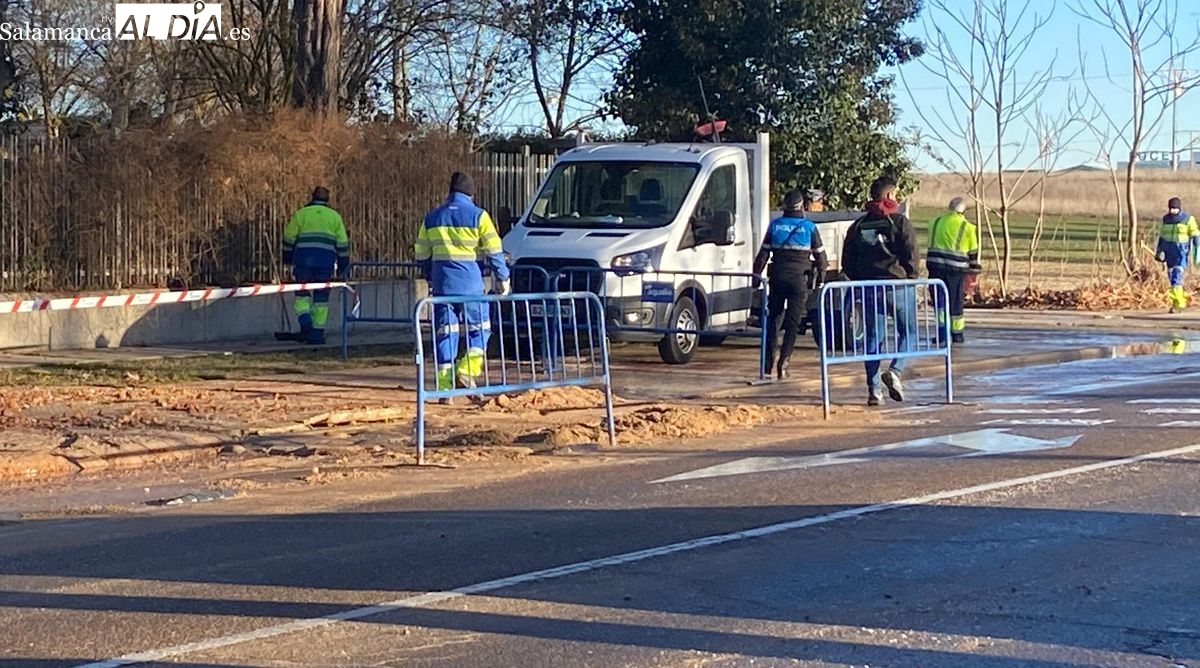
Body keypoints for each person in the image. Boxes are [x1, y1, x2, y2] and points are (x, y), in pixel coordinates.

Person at [414, 172, 511, 392]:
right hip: (471, 286)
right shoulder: (479, 216)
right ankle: (467, 371)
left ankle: (445, 387)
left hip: (442, 285)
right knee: (481, 329)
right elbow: (494, 251)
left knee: (445, 333)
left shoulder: (432, 217)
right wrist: (503, 278)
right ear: (471, 193)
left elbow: (421, 253)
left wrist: (430, 275)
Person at [841, 175, 918, 406]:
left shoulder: (858, 225)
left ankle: (874, 392)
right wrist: (911, 276)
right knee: (910, 333)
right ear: (889, 195)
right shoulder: (900, 222)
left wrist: (859, 279)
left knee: (874, 340)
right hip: (897, 286)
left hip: (869, 288)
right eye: (895, 194)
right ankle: (895, 370)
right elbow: (911, 253)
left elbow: (848, 260)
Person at [754, 189, 828, 379]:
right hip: (799, 281)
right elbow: (821, 258)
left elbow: (763, 256)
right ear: (802, 205)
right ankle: (784, 362)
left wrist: (755, 278)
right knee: (793, 323)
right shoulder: (809, 227)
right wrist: (820, 281)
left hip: (777, 278)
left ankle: (767, 365)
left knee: (773, 321)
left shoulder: (775, 225)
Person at [281, 186, 350, 345]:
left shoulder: (301, 214)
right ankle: (317, 333)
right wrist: (343, 266)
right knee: (321, 299)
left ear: (312, 197)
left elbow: (288, 238)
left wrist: (288, 258)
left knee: (302, 295)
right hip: (325, 262)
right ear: (328, 199)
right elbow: (342, 244)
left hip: (303, 261)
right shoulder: (334, 217)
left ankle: (305, 325)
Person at [925, 196, 981, 344]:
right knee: (955, 302)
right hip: (956, 270)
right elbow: (973, 252)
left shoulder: (935, 222)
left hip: (935, 267)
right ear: (963, 211)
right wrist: (974, 269)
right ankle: (957, 334)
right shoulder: (967, 227)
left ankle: (942, 333)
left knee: (939, 301)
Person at [1156, 197, 1200, 313]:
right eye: (1170, 208)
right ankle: (1176, 303)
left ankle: (1179, 303)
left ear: (1179, 208)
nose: (1172, 211)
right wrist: (1159, 250)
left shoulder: (1187, 219)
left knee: (1176, 276)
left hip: (1181, 252)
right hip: (1168, 252)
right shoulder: (1166, 219)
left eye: (1174, 208)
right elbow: (1162, 235)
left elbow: (1195, 234)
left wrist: (1197, 251)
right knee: (1172, 277)